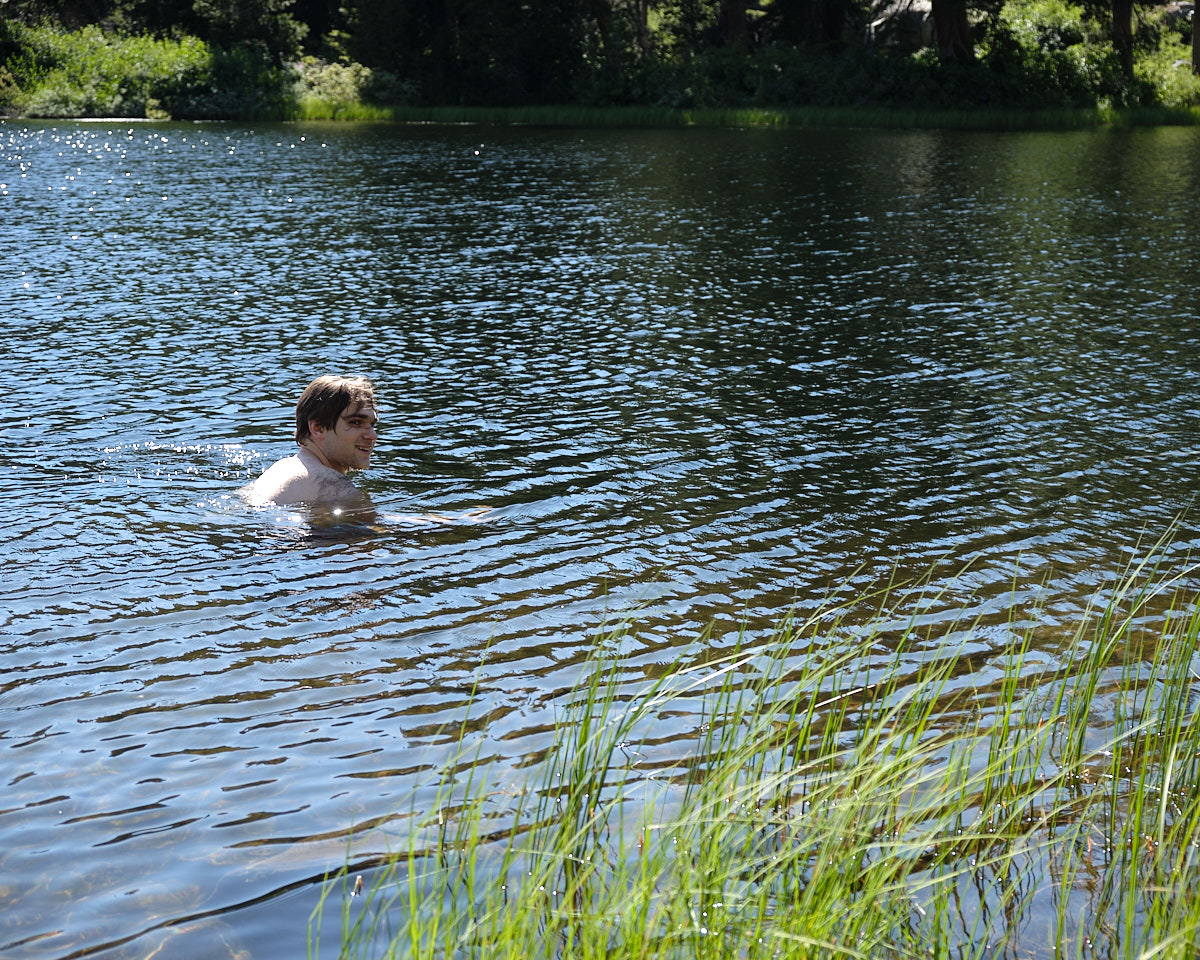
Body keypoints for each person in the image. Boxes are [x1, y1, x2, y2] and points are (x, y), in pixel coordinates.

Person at [244, 375, 379, 518]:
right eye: (356, 422)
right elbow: (377, 534)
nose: (372, 435)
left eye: (372, 425)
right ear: (318, 428)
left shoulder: (280, 469)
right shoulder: (332, 484)